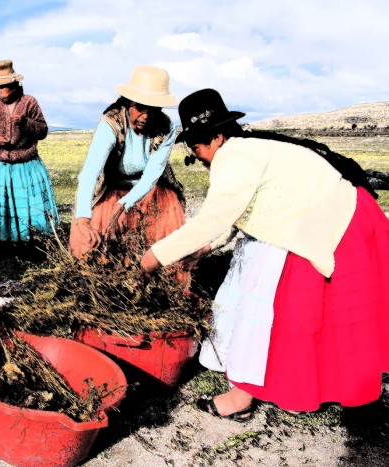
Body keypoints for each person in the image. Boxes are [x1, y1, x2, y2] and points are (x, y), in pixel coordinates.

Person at [140, 88, 389, 418]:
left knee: (274, 310)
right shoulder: (247, 149)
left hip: (340, 226)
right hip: (341, 219)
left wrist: (153, 256)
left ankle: (244, 397)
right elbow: (245, 211)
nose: (197, 155)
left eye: (196, 147)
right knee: (300, 314)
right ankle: (296, 390)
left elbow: (215, 217)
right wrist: (209, 246)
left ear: (215, 137)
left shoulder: (234, 156)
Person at [69, 66, 188, 275]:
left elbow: (152, 175)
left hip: (149, 190)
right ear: (128, 103)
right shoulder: (111, 124)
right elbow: (90, 172)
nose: (145, 116)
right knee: (92, 239)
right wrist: (83, 218)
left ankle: (157, 283)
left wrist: (125, 203)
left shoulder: (166, 127)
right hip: (112, 187)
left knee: (165, 238)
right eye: (140, 108)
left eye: (154, 109)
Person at [0, 59, 59, 243]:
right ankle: (1, 240)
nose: (0, 91)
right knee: (1, 205)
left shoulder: (29, 102)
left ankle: (30, 240)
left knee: (26, 205)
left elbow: (43, 130)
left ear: (14, 85)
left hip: (25, 165)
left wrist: (25, 122)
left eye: (4, 86)